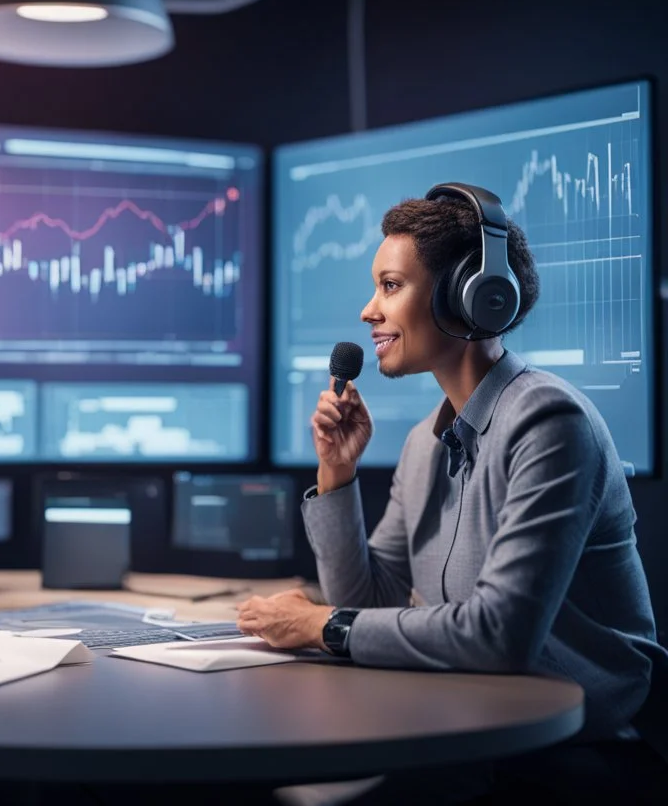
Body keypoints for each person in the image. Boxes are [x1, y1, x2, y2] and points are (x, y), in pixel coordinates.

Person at [236, 184, 666, 803]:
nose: (367, 311)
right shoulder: (424, 443)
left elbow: (499, 635)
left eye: (389, 286)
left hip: (582, 749)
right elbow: (368, 599)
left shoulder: (550, 423)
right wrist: (336, 476)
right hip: (475, 721)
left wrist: (318, 625)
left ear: (470, 298)